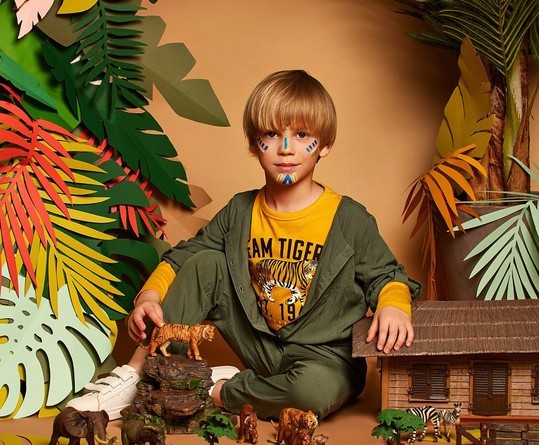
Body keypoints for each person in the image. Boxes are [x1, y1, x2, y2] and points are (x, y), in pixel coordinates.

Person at [68, 69, 421, 421]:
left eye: (302, 135)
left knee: (309, 392)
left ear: (324, 145)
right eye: (271, 134)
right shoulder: (240, 211)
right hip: (262, 346)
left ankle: (212, 390)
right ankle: (138, 373)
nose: (286, 148)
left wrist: (393, 306)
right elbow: (184, 256)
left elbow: (387, 275)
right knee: (206, 263)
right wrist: (148, 296)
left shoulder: (349, 219)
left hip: (324, 360)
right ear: (254, 145)